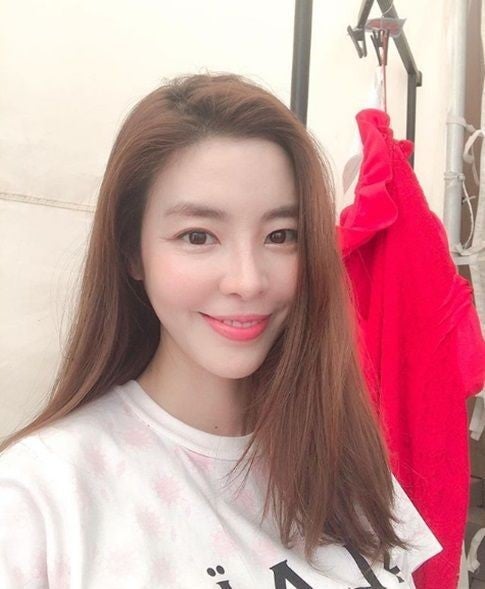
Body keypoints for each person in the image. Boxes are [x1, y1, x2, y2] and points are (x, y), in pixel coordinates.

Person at [0, 72, 442, 588]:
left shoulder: (340, 451)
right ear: (132, 252)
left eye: (280, 235)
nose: (247, 281)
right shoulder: (38, 501)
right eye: (198, 236)